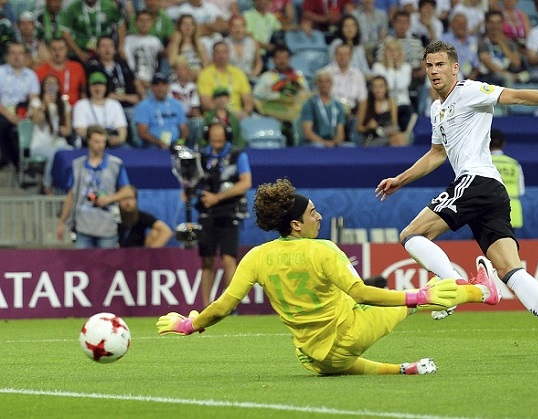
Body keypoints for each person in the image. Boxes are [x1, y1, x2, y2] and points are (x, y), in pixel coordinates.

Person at [375, 40, 538, 362]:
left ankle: (453, 286)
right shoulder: (437, 108)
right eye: (429, 65)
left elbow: (517, 96)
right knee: (509, 269)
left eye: (440, 65)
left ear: (454, 67)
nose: (434, 71)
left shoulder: (469, 91)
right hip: (490, 191)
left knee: (411, 235)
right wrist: (400, 180)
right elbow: (437, 154)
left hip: (475, 181)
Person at [156, 178, 501, 376]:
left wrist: (191, 324)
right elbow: (363, 293)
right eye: (312, 213)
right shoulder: (322, 249)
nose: (319, 217)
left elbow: (222, 305)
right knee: (431, 289)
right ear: (295, 224)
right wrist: (416, 299)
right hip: (350, 335)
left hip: (311, 358)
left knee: (336, 359)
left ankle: (401, 369)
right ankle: (483, 292)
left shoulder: (256, 258)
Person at [193, 120, 252, 307]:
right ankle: (206, 306)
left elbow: (246, 183)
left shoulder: (237, 155)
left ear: (226, 136)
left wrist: (217, 198)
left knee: (228, 259)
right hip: (207, 213)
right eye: (213, 140)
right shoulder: (201, 157)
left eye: (220, 139)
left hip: (229, 211)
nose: (216, 143)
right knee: (207, 261)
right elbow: (194, 183)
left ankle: (229, 306)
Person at [56, 124, 134, 248]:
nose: (101, 145)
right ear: (89, 141)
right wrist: (62, 222)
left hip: (106, 226)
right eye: (97, 142)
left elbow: (128, 192)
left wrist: (109, 199)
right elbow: (71, 195)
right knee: (81, 265)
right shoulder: (77, 165)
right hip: (83, 226)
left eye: (103, 142)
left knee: (106, 265)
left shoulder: (115, 164)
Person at [28, 74, 73, 195]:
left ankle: (67, 186)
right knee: (56, 153)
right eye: (48, 83)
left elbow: (69, 129)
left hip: (58, 141)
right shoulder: (36, 101)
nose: (51, 86)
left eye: (54, 83)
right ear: (43, 86)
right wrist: (44, 104)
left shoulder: (64, 103)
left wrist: (64, 130)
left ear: (58, 87)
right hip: (40, 144)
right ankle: (47, 185)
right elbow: (36, 120)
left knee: (71, 153)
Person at [0, 43, 40, 170]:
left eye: (20, 53)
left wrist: (29, 113)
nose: (17, 56)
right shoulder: (1, 73)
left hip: (24, 112)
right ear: (7, 56)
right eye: (13, 53)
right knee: (2, 125)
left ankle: (29, 159)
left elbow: (34, 99)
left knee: (35, 122)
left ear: (25, 56)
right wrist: (10, 116)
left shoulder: (31, 75)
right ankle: (16, 162)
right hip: (4, 112)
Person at [197, 41, 254, 118]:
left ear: (229, 54)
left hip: (239, 114)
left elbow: (247, 99)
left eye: (224, 52)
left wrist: (246, 112)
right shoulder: (205, 74)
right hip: (216, 115)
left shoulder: (239, 73)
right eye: (218, 52)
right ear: (213, 55)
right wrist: (227, 114)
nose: (221, 55)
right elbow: (206, 102)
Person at [134, 72, 189, 149]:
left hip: (175, 144)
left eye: (163, 84)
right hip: (153, 145)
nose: (160, 88)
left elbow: (184, 129)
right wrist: (160, 143)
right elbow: (142, 132)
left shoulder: (176, 104)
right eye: (157, 85)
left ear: (168, 86)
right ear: (152, 87)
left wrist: (180, 143)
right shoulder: (144, 106)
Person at [72, 71, 128, 148]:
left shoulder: (115, 104)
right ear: (89, 87)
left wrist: (120, 139)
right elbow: (80, 130)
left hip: (112, 143)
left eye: (101, 85)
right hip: (89, 143)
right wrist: (99, 139)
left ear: (106, 87)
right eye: (94, 85)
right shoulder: (81, 104)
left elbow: (122, 128)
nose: (97, 88)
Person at [59, 0, 126, 63]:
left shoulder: (108, 6)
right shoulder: (74, 8)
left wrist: (121, 46)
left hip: (104, 50)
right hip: (82, 50)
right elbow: (65, 32)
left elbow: (121, 24)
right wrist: (79, 53)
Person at [477, 10, 526, 88]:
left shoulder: (510, 43)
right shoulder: (482, 42)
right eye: (491, 23)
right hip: (489, 76)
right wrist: (508, 75)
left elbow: (516, 62)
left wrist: (501, 43)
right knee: (507, 79)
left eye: (498, 23)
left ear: (502, 24)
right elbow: (489, 64)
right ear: (486, 24)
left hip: (510, 73)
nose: (495, 26)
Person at [299, 70, 348, 147]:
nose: (324, 84)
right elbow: (307, 133)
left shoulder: (338, 105)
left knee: (349, 146)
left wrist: (335, 142)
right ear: (316, 84)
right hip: (315, 143)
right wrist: (325, 143)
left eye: (327, 81)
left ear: (331, 84)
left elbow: (340, 132)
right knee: (319, 146)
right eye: (320, 81)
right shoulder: (310, 104)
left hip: (332, 142)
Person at [34, 37, 86, 106]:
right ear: (49, 50)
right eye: (54, 49)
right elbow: (36, 96)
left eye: (61, 49)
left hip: (75, 109)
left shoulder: (77, 67)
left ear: (67, 50)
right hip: (52, 110)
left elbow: (83, 91)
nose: (57, 53)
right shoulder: (40, 71)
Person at [356, 75, 406, 146]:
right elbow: (359, 128)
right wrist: (369, 128)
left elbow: (394, 124)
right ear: (371, 89)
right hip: (371, 138)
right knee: (396, 139)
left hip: (387, 135)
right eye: (375, 87)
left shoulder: (391, 103)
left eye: (381, 87)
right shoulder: (365, 104)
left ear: (386, 88)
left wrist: (385, 130)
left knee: (398, 137)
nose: (378, 90)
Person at [490, 129, 524, 230]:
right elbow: (521, 191)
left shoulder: (484, 163)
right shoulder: (514, 164)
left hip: (489, 212)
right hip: (512, 212)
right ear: (504, 143)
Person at [124, 10, 165, 91]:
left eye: (147, 20)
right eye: (141, 20)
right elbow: (127, 60)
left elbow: (161, 61)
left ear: (151, 23)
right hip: (133, 79)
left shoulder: (156, 41)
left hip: (152, 79)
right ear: (136, 23)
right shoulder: (128, 40)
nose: (144, 23)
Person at [166, 14, 209, 82]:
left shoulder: (200, 44)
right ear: (179, 26)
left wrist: (199, 46)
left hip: (197, 77)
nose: (188, 26)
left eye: (191, 24)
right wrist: (176, 42)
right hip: (178, 77)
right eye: (184, 24)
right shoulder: (173, 43)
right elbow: (171, 62)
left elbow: (206, 65)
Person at [224, 14, 263, 83]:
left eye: (241, 26)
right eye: (235, 27)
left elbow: (259, 62)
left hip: (249, 78)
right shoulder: (224, 44)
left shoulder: (253, 43)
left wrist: (254, 73)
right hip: (229, 78)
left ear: (245, 28)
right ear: (230, 28)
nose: (238, 30)